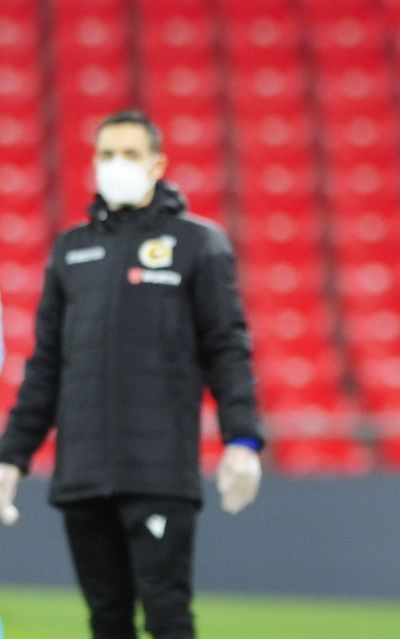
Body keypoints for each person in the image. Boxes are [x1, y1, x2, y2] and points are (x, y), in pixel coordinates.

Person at [0, 111, 264, 639]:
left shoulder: (198, 244)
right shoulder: (69, 250)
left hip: (159, 473)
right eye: (106, 154)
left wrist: (242, 438)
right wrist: (11, 456)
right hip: (82, 476)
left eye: (129, 153)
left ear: (157, 164)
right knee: (106, 622)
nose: (116, 164)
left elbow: (227, 348)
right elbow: (46, 363)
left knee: (167, 617)